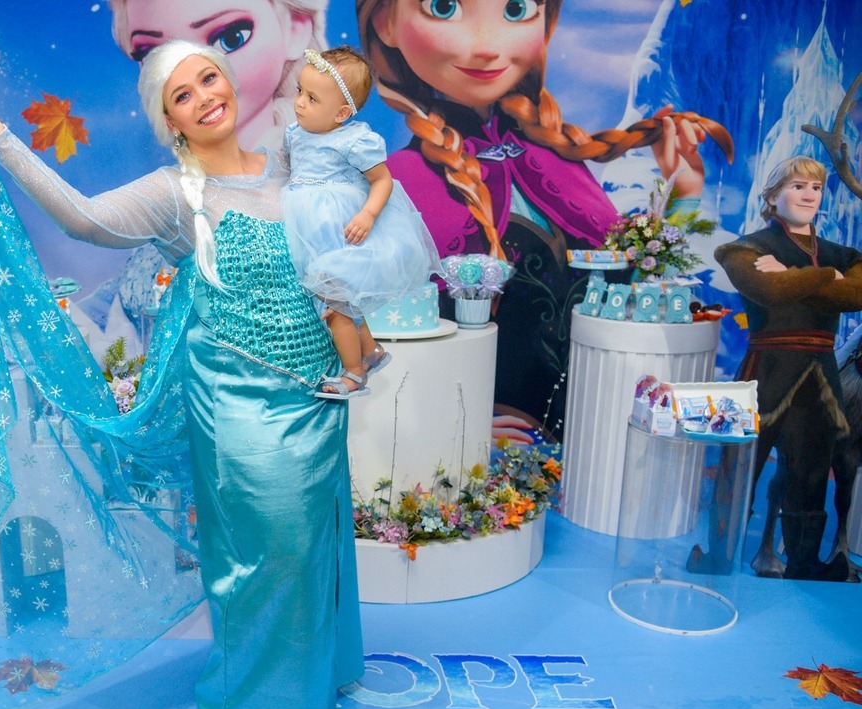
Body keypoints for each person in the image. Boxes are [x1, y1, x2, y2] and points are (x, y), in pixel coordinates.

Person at [0, 39, 364, 709]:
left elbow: (339, 251)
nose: (205, 98)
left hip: (316, 392)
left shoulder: (290, 165)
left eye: (209, 78)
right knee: (268, 556)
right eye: (182, 96)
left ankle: (313, 685)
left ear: (230, 82)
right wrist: (2, 139)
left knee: (314, 544)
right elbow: (82, 218)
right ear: (171, 123)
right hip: (241, 405)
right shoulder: (173, 194)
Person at [356, 0, 733, 433]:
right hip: (484, 443)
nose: (487, 47)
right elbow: (389, 332)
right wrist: (452, 421)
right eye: (443, 7)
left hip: (594, 423)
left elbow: (629, 287)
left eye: (516, 9)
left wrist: (683, 195)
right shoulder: (400, 182)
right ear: (385, 22)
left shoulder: (560, 163)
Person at [714, 155, 862, 582]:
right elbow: (769, 290)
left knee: (812, 474)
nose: (809, 195)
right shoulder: (744, 249)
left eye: (816, 188)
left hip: (820, 378)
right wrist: (829, 278)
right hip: (765, 372)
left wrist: (799, 274)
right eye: (798, 186)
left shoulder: (843, 254)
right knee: (739, 471)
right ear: (773, 195)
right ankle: (718, 558)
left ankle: (804, 563)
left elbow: (856, 296)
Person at [282, 46, 436, 398]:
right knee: (341, 298)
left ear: (341, 113)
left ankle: (354, 372)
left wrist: (367, 214)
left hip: (338, 229)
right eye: (300, 91)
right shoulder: (295, 133)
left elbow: (383, 181)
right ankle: (371, 351)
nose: (300, 103)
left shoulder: (354, 140)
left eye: (312, 99)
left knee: (335, 305)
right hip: (308, 229)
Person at [108, 0, 327, 151]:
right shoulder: (175, 188)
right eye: (155, 55)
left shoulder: (316, 166)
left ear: (294, 29)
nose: (189, 76)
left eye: (230, 39)